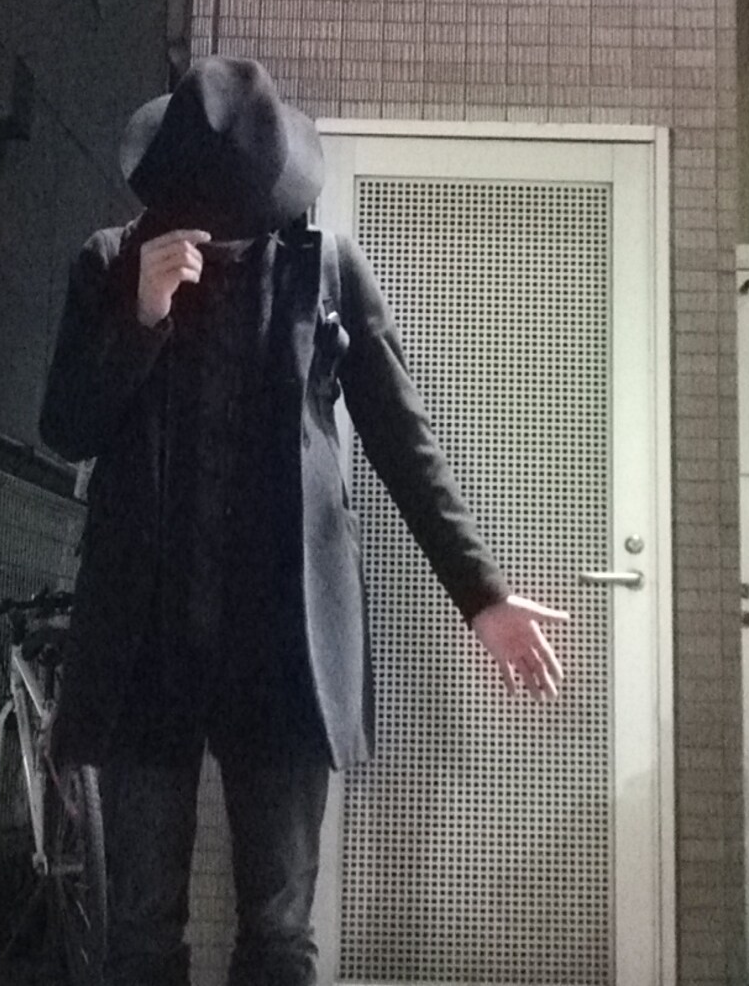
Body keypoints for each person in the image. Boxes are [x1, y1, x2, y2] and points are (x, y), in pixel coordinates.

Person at [40, 55, 568, 986]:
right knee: (140, 937)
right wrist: (142, 316)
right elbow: (66, 428)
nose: (227, 240)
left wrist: (482, 594)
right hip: (144, 642)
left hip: (283, 643)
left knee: (281, 934)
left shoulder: (324, 269)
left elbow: (404, 439)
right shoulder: (111, 261)